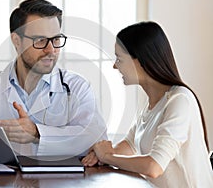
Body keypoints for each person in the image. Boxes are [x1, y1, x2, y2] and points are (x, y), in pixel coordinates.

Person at [0, 0, 107, 160]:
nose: (51, 50)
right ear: (16, 40)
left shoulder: (78, 88)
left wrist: (37, 133)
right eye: (40, 40)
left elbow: (97, 140)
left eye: (55, 39)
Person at [82, 21, 213, 187]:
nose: (115, 66)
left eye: (119, 59)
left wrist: (107, 157)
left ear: (140, 61)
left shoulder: (180, 100)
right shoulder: (150, 105)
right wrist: (102, 153)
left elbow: (154, 166)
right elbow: (129, 145)